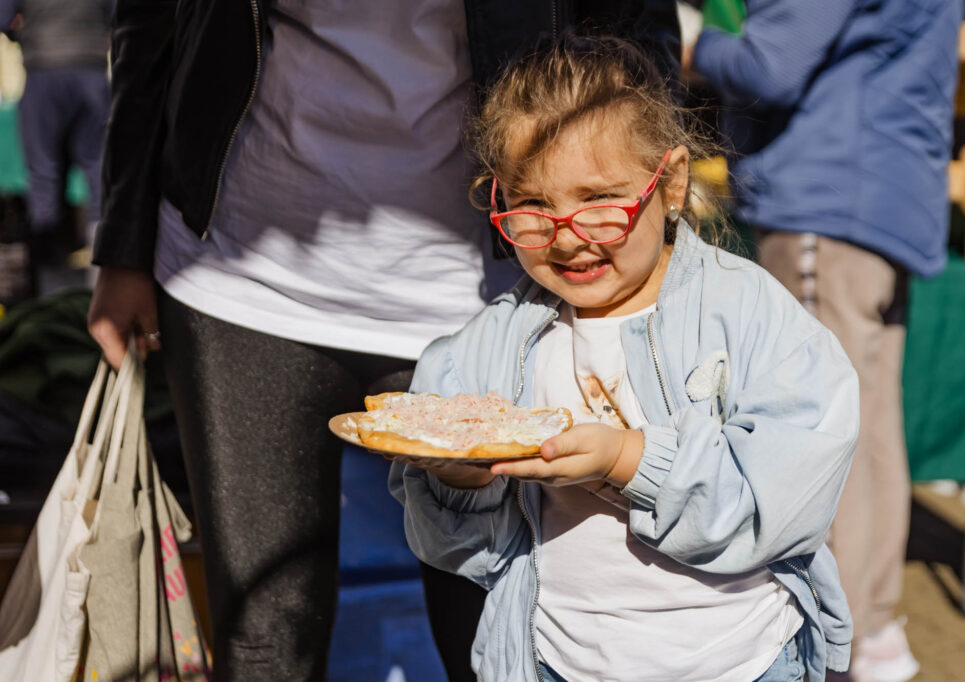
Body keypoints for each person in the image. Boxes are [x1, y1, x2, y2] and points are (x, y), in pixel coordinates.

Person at [85, 0, 681, 679]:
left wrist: (646, 244)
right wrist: (123, 241)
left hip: (486, 294)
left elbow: (636, 23)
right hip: (240, 277)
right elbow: (151, 20)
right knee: (262, 640)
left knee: (505, 632)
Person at [389, 35, 859, 682]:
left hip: (740, 664)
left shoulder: (749, 315)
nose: (568, 238)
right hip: (556, 663)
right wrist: (459, 481)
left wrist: (628, 460)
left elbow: (784, 503)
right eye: (533, 206)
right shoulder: (490, 347)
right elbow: (457, 552)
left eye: (599, 200)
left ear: (671, 183)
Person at [685, 2, 962, 679]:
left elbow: (768, 65)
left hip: (828, 200)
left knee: (824, 435)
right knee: (869, 428)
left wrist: (691, 41)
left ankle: (844, 641)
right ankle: (873, 631)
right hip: (883, 197)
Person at [0, 0, 112, 293]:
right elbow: (120, 15)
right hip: (90, 70)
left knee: (44, 174)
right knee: (99, 171)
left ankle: (47, 281)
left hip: (45, 70)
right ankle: (102, 273)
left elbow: (3, 18)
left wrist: (24, 31)